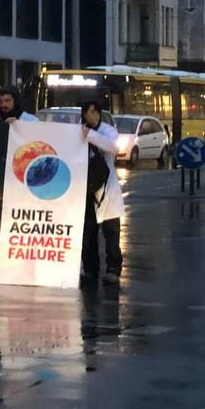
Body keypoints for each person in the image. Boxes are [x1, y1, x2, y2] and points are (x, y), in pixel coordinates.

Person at [81, 101, 124, 284]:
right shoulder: (80, 130)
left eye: (90, 112)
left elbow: (114, 147)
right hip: (87, 189)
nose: (86, 116)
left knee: (111, 233)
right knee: (88, 233)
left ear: (97, 112)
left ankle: (113, 269)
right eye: (84, 112)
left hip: (107, 189)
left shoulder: (107, 131)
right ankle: (91, 269)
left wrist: (90, 136)